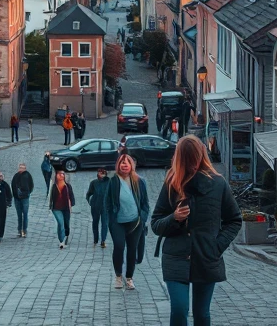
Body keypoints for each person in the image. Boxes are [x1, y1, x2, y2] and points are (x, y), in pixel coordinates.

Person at [151, 137, 242, 326]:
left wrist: (216, 246)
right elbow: (156, 223)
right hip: (175, 257)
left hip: (206, 256)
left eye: (195, 159)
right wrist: (174, 218)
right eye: (188, 159)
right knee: (179, 309)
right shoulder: (172, 182)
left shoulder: (218, 184)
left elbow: (234, 220)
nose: (193, 165)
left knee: (202, 314)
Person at [104, 154, 150, 290]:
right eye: (122, 162)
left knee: (132, 250)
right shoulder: (113, 181)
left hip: (135, 222)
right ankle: (118, 276)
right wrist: (110, 220)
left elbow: (145, 203)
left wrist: (143, 217)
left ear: (131, 165)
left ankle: (129, 278)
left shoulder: (139, 181)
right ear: (118, 165)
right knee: (119, 246)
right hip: (117, 222)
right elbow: (107, 202)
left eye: (127, 162)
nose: (124, 165)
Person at [49, 170, 75, 249]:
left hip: (66, 208)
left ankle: (66, 235)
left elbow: (71, 196)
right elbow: (50, 197)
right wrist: (50, 205)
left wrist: (71, 204)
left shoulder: (67, 186)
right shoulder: (54, 186)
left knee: (66, 223)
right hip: (56, 208)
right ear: (56, 175)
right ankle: (61, 241)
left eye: (63, 174)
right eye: (59, 174)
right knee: (61, 223)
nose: (61, 175)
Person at [86, 168, 110, 248]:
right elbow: (89, 193)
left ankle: (103, 240)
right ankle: (95, 239)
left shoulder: (109, 182)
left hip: (105, 207)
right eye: (100, 172)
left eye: (103, 172)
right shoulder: (94, 183)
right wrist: (91, 202)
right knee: (95, 222)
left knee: (105, 223)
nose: (101, 173)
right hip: (95, 206)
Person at [11, 163, 34, 238]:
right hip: (17, 198)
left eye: (23, 168)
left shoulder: (27, 176)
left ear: (25, 168)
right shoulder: (16, 176)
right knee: (19, 215)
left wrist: (27, 194)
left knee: (25, 214)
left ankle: (24, 230)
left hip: (25, 198)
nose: (21, 169)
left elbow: (31, 185)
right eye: (20, 167)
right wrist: (15, 195)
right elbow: (13, 185)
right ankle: (19, 230)